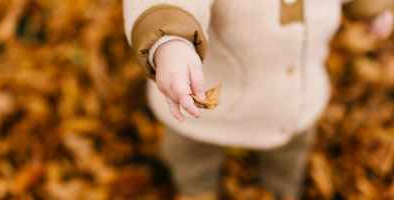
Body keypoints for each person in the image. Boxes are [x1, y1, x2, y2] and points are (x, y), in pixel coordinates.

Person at [123, 0, 393, 199]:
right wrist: (170, 42)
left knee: (289, 153)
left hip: (292, 100)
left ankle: (282, 188)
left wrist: (372, 8)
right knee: (191, 153)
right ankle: (196, 188)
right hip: (202, 96)